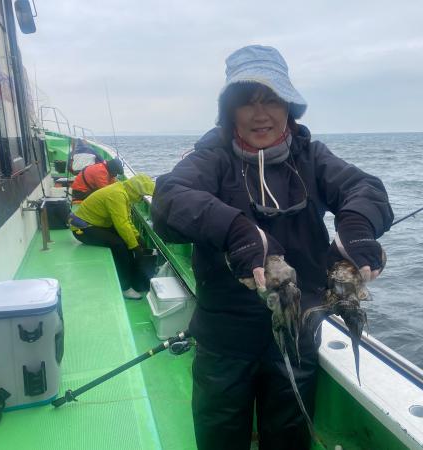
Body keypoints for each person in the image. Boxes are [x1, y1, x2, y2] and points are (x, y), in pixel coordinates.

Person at [151, 45, 394, 450]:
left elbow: (364, 188)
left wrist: (357, 225)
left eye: (272, 100)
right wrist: (235, 229)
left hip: (298, 328)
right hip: (225, 334)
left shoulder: (312, 157)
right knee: (219, 436)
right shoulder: (211, 157)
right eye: (247, 101)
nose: (260, 113)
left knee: (289, 437)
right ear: (230, 110)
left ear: (289, 106)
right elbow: (168, 198)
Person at [70, 173, 155, 299]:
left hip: (98, 223)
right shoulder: (117, 195)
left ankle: (132, 277)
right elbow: (122, 224)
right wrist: (135, 247)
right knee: (119, 245)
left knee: (128, 242)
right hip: (83, 228)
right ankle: (125, 287)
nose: (142, 199)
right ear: (136, 191)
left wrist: (137, 238)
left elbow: (126, 219)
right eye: (141, 195)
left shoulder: (123, 191)